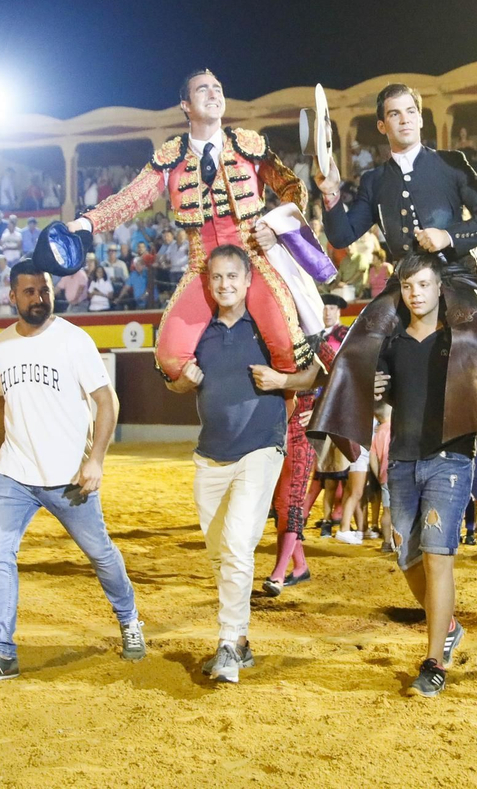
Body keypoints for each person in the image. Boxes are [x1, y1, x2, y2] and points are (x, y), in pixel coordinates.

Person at [54, 69, 315, 380]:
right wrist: (87, 222)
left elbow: (293, 189)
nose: (214, 93)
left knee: (288, 348)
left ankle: (291, 424)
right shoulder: (170, 157)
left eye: (217, 88)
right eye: (203, 89)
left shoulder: (249, 145)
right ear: (185, 105)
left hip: (253, 260)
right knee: (170, 358)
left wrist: (274, 227)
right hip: (202, 267)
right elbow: (133, 198)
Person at [0, 261, 144, 685]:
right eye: (29, 292)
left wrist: (95, 459)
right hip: (15, 473)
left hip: (68, 478)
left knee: (100, 553)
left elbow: (106, 401)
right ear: (12, 296)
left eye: (45, 291)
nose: (39, 298)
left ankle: (129, 618)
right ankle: (2, 652)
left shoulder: (74, 341)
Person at [312, 82, 477, 463]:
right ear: (383, 126)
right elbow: (341, 234)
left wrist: (448, 235)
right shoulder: (373, 180)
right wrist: (331, 194)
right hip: (404, 280)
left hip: (454, 274)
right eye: (394, 114)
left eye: (410, 112)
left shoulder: (452, 163)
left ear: (421, 118)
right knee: (357, 343)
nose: (404, 120)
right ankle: (347, 434)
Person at [165, 246, 287, 684]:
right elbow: (177, 382)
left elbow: (313, 371)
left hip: (261, 446)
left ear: (248, 279)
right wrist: (182, 382)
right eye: (217, 278)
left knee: (236, 545)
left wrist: (284, 381)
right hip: (210, 454)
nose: (225, 285)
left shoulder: (269, 327)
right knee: (221, 556)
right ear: (209, 282)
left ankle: (228, 642)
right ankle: (241, 643)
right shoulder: (201, 331)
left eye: (233, 276)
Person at [373, 254, 477, 699]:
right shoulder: (392, 340)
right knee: (406, 557)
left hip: (450, 458)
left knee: (438, 556)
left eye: (423, 284)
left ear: (439, 288)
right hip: (402, 457)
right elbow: (391, 393)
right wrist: (377, 389)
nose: (415, 293)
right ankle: (450, 626)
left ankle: (434, 661)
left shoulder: (460, 336)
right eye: (407, 286)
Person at [262, 293, 350, 596]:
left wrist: (322, 406)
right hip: (272, 432)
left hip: (300, 430)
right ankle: (299, 567)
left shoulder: (313, 341)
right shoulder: (268, 337)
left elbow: (341, 373)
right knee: (281, 504)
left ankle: (277, 574)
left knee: (291, 501)